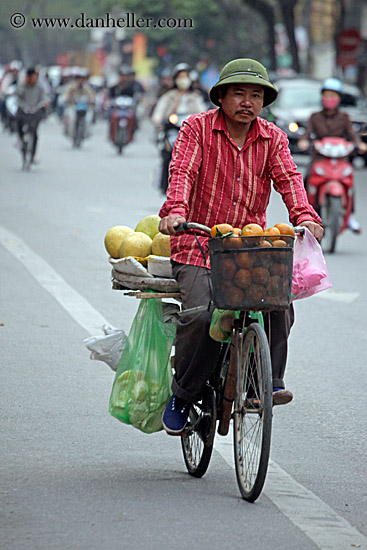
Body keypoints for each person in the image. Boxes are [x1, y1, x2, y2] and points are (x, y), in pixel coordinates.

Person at [158, 58, 323, 435]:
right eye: (239, 94)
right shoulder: (196, 129)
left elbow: (290, 179)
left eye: (255, 95)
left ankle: (266, 383)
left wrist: (305, 215)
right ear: (221, 97)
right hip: (197, 243)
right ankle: (183, 394)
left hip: (246, 246)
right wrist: (176, 211)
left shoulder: (273, 137)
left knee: (278, 299)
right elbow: (182, 171)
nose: (247, 102)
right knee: (201, 316)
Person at [298, 77, 367, 233]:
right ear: (322, 97)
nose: (330, 99)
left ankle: (350, 216)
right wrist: (303, 141)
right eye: (327, 95)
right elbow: (307, 134)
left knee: (349, 184)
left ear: (339, 98)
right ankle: (306, 212)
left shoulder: (344, 117)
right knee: (306, 180)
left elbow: (352, 133)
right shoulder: (315, 117)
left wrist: (359, 143)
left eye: (333, 96)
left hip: (340, 158)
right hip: (319, 158)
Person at [16, 67, 48, 164]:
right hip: (24, 111)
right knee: (19, 125)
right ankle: (20, 140)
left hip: (35, 111)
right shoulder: (22, 86)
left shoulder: (40, 87)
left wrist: (43, 104)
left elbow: (44, 98)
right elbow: (18, 97)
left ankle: (32, 155)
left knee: (34, 133)